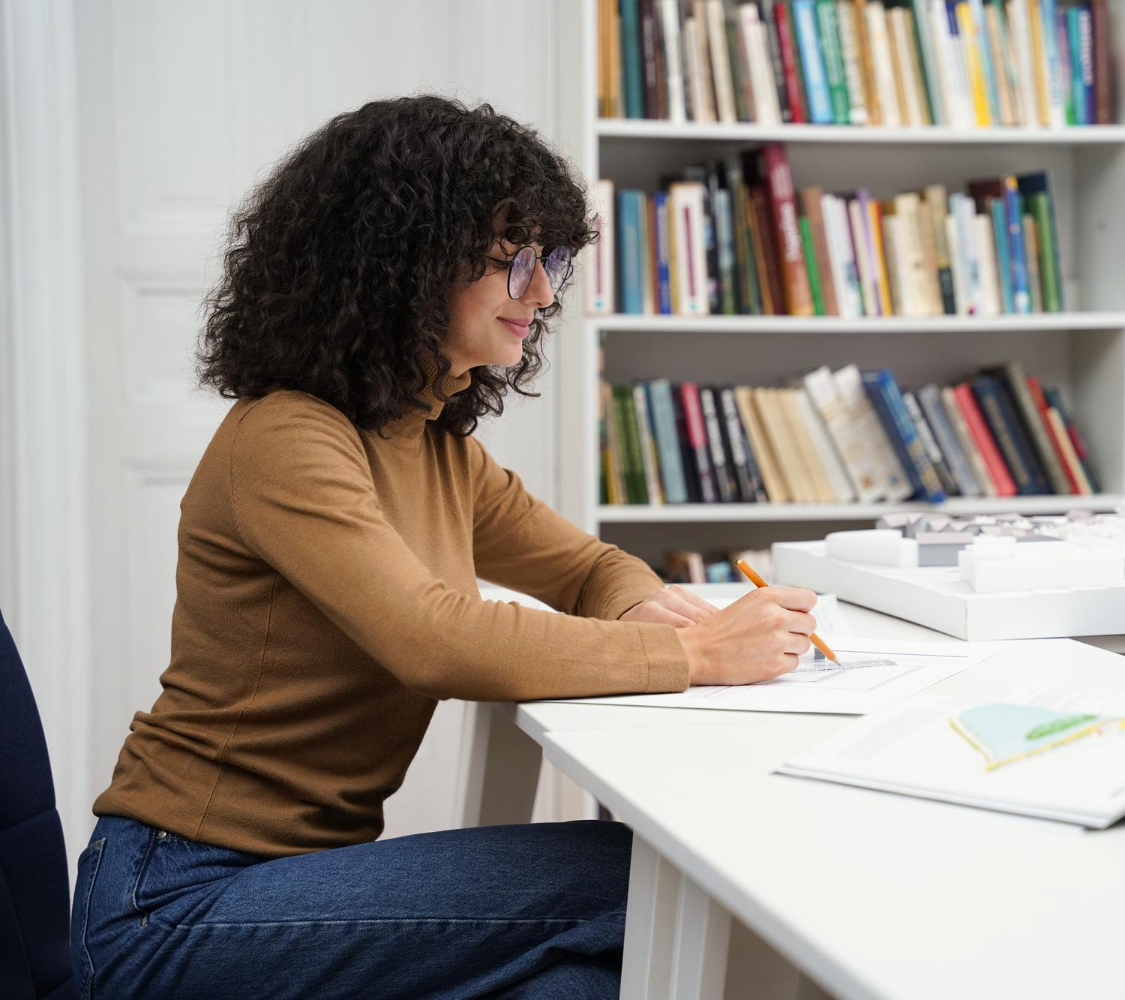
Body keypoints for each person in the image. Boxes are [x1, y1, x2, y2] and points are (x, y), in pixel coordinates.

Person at [72, 94, 816, 999]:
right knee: (647, 873)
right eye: (516, 261)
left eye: (550, 264)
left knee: (582, 986)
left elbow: (587, 566)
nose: (543, 294)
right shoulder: (287, 440)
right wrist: (692, 653)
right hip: (171, 902)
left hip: (286, 885)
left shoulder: (435, 449)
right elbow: (433, 639)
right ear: (406, 267)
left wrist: (642, 605)